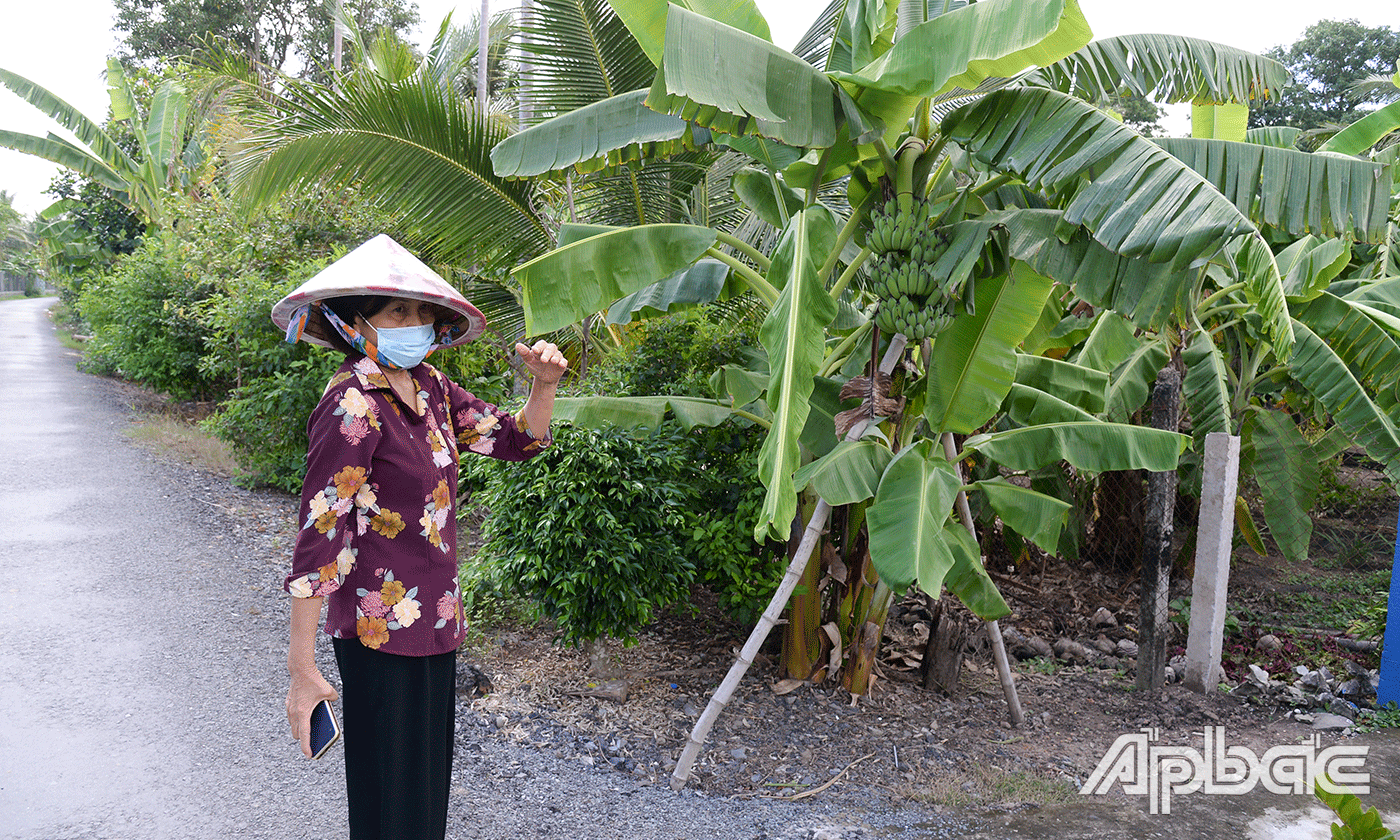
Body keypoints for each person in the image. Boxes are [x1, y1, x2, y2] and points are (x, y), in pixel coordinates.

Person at [270, 235, 567, 840]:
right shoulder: (352, 404)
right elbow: (320, 534)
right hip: (377, 629)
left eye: (422, 312)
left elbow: (514, 440)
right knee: (389, 799)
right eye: (397, 312)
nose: (415, 324)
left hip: (436, 619)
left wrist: (543, 387)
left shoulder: (430, 385)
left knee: (426, 791)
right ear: (356, 323)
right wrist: (302, 669)